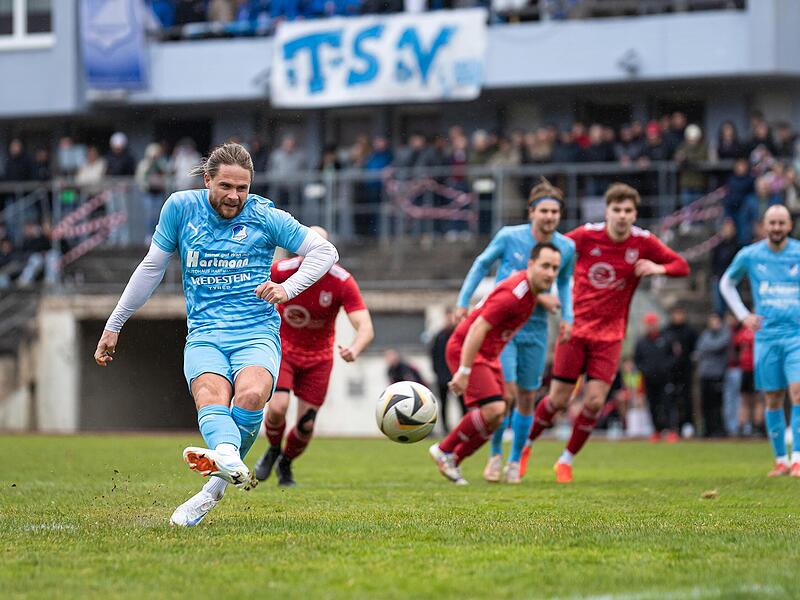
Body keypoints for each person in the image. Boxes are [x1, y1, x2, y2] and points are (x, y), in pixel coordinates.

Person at [93, 143, 338, 526]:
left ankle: (213, 486)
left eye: (243, 188)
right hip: (205, 332)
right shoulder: (180, 208)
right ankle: (222, 466)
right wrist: (115, 323)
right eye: (226, 186)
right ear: (207, 179)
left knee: (254, 394)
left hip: (256, 330)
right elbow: (151, 268)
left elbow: (325, 253)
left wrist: (288, 289)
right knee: (209, 393)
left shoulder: (265, 214)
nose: (235, 196)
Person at [523, 183, 690, 483]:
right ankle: (525, 445)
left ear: (635, 213)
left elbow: (681, 266)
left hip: (610, 336)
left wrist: (657, 268)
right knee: (558, 400)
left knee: (595, 402)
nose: (622, 216)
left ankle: (566, 460)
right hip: (576, 328)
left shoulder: (643, 242)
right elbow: (550, 252)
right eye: (617, 210)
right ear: (607, 211)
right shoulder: (586, 236)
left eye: (628, 211)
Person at [455, 179, 575, 484]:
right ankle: (494, 456)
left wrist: (568, 317)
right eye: (544, 210)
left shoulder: (566, 247)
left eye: (555, 212)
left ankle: (514, 460)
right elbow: (482, 264)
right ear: (531, 211)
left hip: (535, 328)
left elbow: (564, 283)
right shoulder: (510, 237)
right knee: (504, 394)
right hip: (503, 329)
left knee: (526, 397)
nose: (549, 217)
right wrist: (462, 301)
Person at [429, 243, 562, 485]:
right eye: (545, 266)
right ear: (531, 265)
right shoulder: (513, 296)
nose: (551, 273)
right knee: (495, 409)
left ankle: (455, 459)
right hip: (467, 349)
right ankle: (444, 449)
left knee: (502, 411)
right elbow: (477, 327)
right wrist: (464, 370)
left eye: (555, 268)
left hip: (489, 354)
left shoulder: (531, 292)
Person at [253, 226, 374, 486]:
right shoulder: (281, 271)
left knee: (306, 425)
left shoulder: (342, 282)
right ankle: (274, 448)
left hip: (319, 358)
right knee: (277, 408)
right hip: (283, 349)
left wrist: (355, 347)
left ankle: (285, 462)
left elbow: (365, 326)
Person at [720, 204, 800, 477]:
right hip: (766, 337)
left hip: (796, 336)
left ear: (790, 225)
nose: (777, 227)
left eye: (782, 223)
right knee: (773, 398)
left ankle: (798, 459)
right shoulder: (750, 255)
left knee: (798, 392)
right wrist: (743, 315)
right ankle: (781, 460)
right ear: (764, 226)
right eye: (772, 223)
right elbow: (726, 284)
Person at [633, 312, 678, 442]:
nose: (651, 326)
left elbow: (673, 357)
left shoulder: (666, 339)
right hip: (649, 380)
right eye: (649, 324)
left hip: (665, 379)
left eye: (653, 324)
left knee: (668, 404)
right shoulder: (641, 342)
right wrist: (645, 370)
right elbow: (637, 360)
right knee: (653, 405)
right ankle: (656, 431)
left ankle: (671, 430)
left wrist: (666, 368)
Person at [662, 306, 698, 437]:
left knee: (686, 399)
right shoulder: (667, 331)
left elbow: (695, 350)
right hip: (670, 373)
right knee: (669, 399)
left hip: (685, 371)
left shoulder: (689, 331)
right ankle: (670, 426)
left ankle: (687, 424)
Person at [696, 313, 731, 438]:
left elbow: (717, 345)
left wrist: (708, 348)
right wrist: (710, 348)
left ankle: (719, 429)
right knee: (706, 404)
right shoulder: (705, 334)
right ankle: (707, 429)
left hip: (717, 374)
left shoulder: (725, 333)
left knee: (718, 404)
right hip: (705, 374)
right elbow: (701, 347)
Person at [430, 307, 463, 434]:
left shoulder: (458, 334)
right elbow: (434, 355)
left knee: (462, 403)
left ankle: (463, 428)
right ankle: (445, 429)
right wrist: (437, 372)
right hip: (442, 377)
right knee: (443, 404)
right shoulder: (439, 335)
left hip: (457, 376)